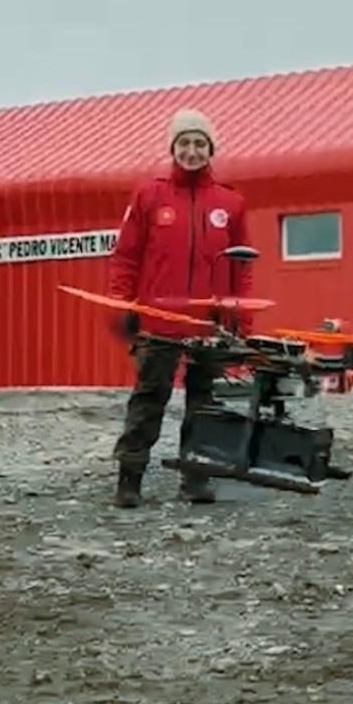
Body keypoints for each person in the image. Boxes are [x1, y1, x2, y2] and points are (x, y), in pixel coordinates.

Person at [107, 109, 253, 508]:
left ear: (211, 150)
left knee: (204, 402)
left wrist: (241, 319)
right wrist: (122, 305)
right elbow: (125, 257)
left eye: (200, 144)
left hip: (208, 324)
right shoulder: (149, 196)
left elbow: (242, 267)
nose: (192, 151)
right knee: (149, 399)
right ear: (173, 148)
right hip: (159, 321)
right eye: (184, 143)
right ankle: (129, 479)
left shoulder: (230, 202)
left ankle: (196, 477)